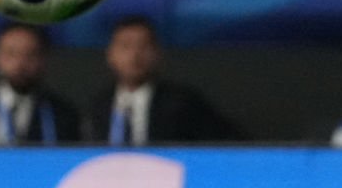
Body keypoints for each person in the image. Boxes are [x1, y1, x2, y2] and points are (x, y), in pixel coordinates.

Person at [87, 14, 238, 145]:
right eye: (125, 46)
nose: (135, 55)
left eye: (143, 46)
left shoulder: (183, 104)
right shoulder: (99, 105)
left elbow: (227, 143)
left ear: (157, 53)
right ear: (110, 55)